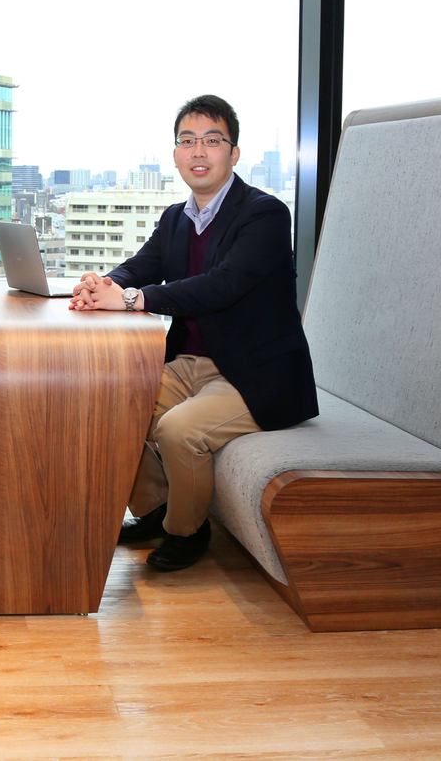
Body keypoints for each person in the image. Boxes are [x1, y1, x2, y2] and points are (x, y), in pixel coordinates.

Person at [70, 94, 319, 571]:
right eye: (187, 141)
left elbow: (221, 286)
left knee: (177, 430)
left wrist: (130, 300)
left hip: (253, 372)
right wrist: (105, 284)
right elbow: (141, 266)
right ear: (175, 154)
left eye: (212, 140)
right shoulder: (176, 218)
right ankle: (156, 508)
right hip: (189, 363)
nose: (198, 151)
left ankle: (187, 531)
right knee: (112, 405)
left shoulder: (264, 214)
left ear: (234, 153)